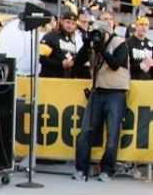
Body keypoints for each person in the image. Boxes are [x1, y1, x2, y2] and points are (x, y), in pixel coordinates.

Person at [73, 18, 129, 182]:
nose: (96, 38)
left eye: (99, 34)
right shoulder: (92, 45)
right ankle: (81, 169)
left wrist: (102, 49)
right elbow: (77, 65)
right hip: (97, 92)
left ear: (107, 33)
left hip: (116, 93)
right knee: (85, 131)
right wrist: (85, 46)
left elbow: (115, 64)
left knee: (112, 134)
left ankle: (107, 169)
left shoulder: (119, 43)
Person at [39, 11, 84, 78]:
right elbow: (41, 58)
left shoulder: (72, 41)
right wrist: (60, 64)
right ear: (61, 21)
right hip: (50, 79)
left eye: (73, 24)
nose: (70, 26)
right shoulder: (50, 36)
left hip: (66, 81)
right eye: (68, 22)